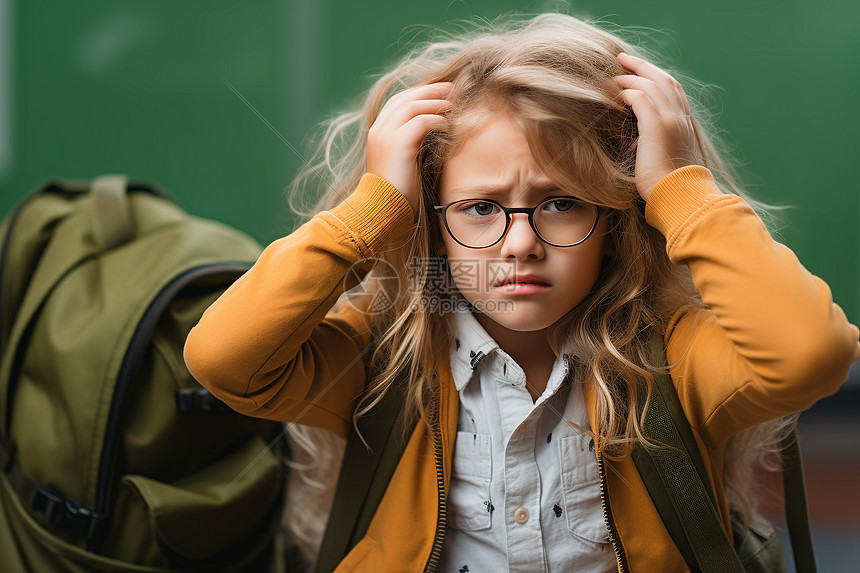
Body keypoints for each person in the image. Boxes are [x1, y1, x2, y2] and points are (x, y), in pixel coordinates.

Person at [183, 12, 860, 572]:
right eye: (479, 209)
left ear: (617, 222)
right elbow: (225, 358)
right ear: (429, 222)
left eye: (562, 202)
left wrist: (678, 186)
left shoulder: (667, 355)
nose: (519, 243)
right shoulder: (386, 354)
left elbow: (810, 353)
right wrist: (372, 208)